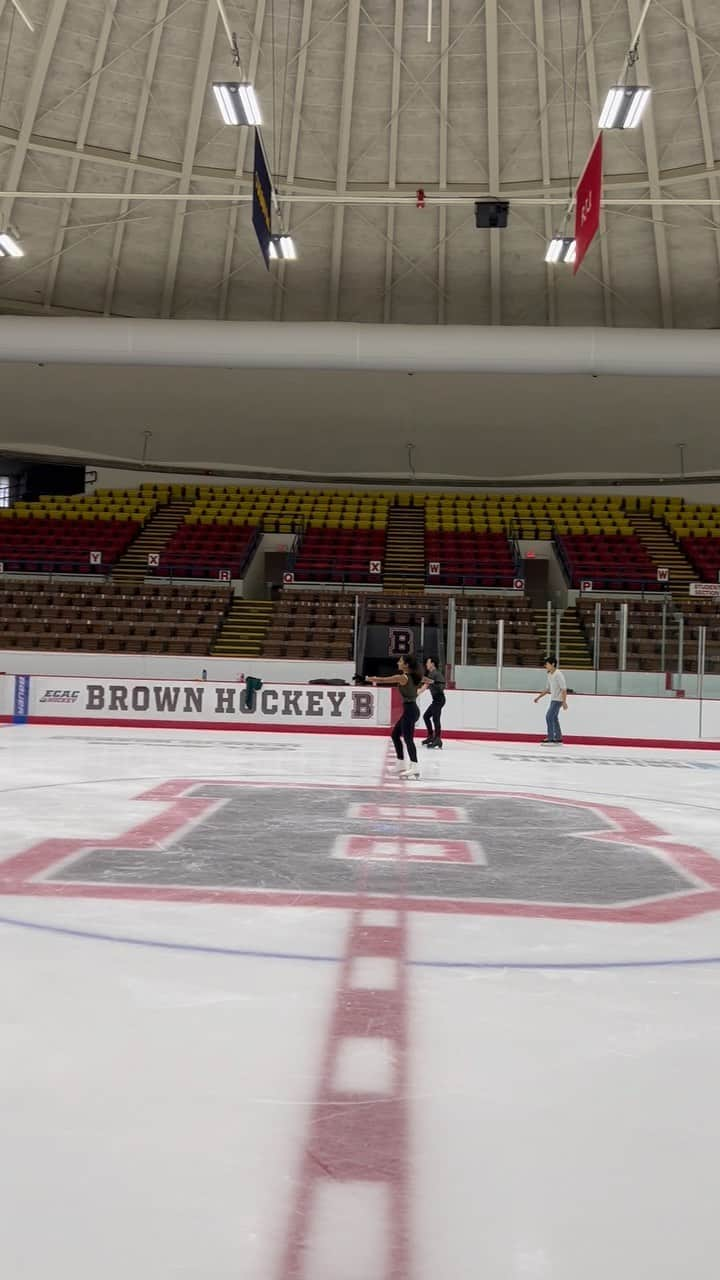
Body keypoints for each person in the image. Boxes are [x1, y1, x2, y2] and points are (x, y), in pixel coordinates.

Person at [367, 656, 423, 779]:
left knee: (408, 739)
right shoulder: (413, 676)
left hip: (410, 710)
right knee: (395, 735)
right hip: (411, 710)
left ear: (406, 665)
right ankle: (401, 763)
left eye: (401, 661)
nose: (398, 662)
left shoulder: (403, 677)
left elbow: (383, 680)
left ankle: (414, 767)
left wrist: (369, 678)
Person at [533, 656, 568, 743]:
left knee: (549, 716)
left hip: (558, 700)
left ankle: (551, 737)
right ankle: (558, 737)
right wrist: (539, 697)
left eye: (547, 664)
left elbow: (564, 689)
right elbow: (547, 689)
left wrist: (564, 702)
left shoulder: (558, 674)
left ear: (553, 664)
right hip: (554, 699)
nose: (545, 665)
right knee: (554, 717)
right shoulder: (549, 674)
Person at [420, 656, 446, 749]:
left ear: (432, 664)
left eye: (428, 662)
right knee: (426, 716)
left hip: (439, 699)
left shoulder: (436, 673)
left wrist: (431, 682)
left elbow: (442, 686)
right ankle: (431, 736)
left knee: (436, 718)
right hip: (436, 700)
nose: (426, 664)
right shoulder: (431, 674)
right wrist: (418, 692)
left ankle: (437, 739)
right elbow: (426, 685)